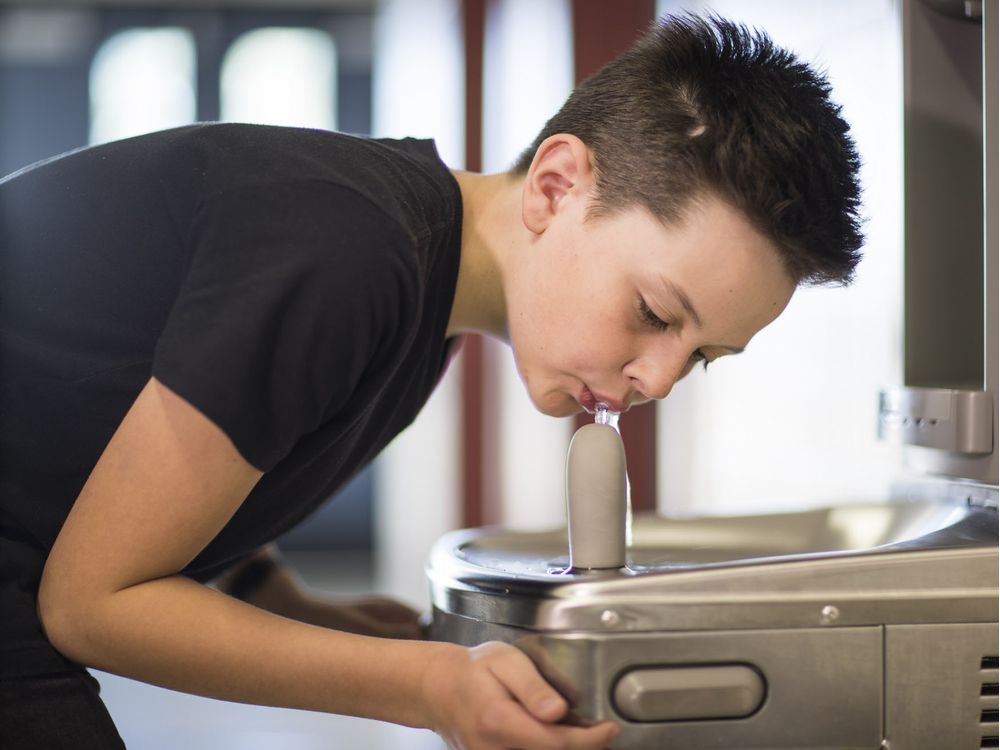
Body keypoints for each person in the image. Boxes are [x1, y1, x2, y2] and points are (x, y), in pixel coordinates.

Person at [0, 13, 862, 750]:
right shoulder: (351, 255)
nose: (661, 379)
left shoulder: (420, 282)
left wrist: (279, 596)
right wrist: (427, 686)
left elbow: (140, 418)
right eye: (653, 312)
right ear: (558, 187)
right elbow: (91, 604)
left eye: (703, 354)